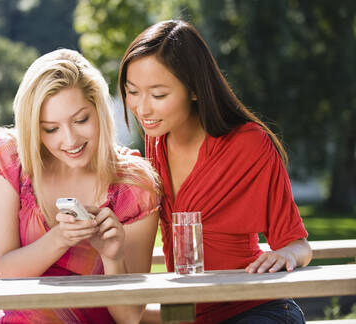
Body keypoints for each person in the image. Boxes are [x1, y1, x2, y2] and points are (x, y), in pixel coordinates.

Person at [119, 20, 312, 324]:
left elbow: (297, 243)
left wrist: (287, 255)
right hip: (187, 314)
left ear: (195, 90)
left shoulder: (249, 144)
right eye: (132, 92)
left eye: (158, 95)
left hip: (255, 310)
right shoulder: (155, 141)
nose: (142, 109)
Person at [0, 48, 161, 324]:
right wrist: (60, 238)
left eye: (80, 120)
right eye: (51, 129)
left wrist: (113, 257)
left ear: (99, 109)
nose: (70, 139)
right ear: (33, 128)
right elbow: (5, 270)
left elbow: (131, 317)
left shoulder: (133, 185)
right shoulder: (10, 158)